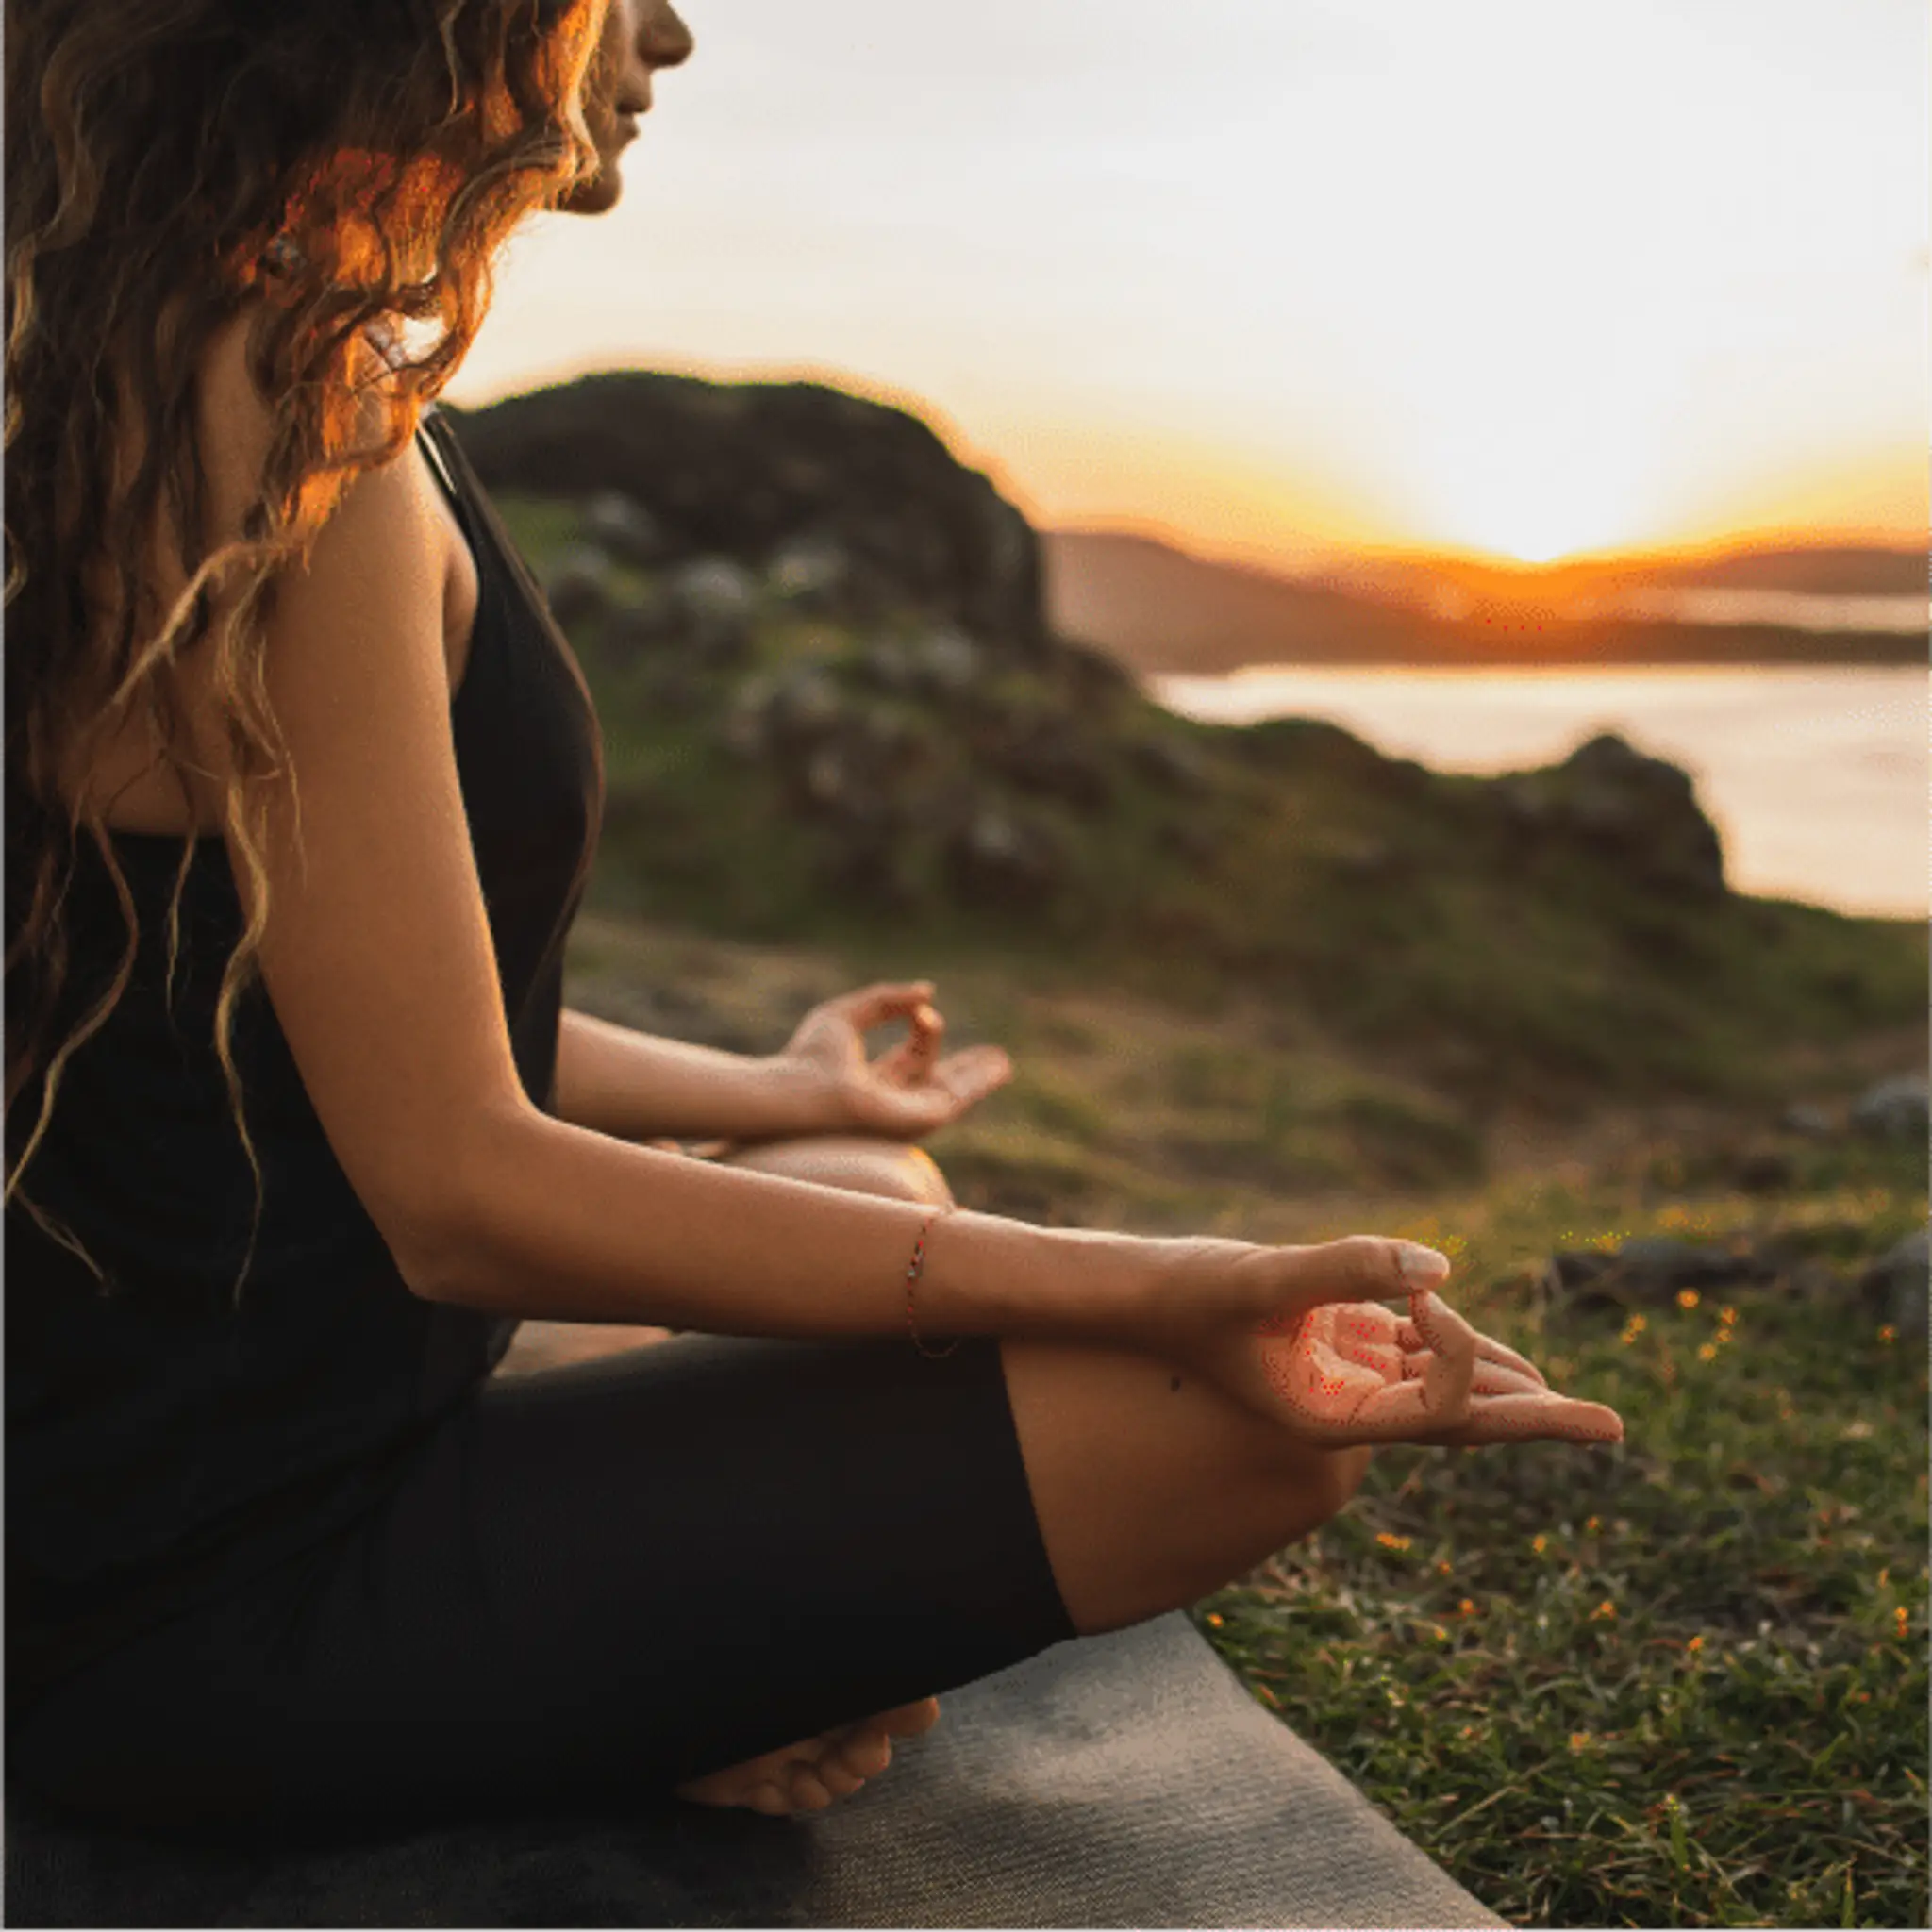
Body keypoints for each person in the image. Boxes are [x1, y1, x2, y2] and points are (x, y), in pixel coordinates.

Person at [0, 0, 1625, 1835]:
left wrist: (783, 1092)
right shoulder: (274, 415)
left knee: (862, 1199)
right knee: (1222, 1401)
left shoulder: (202, 357)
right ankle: (617, 1706)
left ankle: (630, 1654)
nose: (672, 35)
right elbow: (456, 1190)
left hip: (271, 1411)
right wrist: (1186, 1274)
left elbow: (332, 1010)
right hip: (189, 1588)